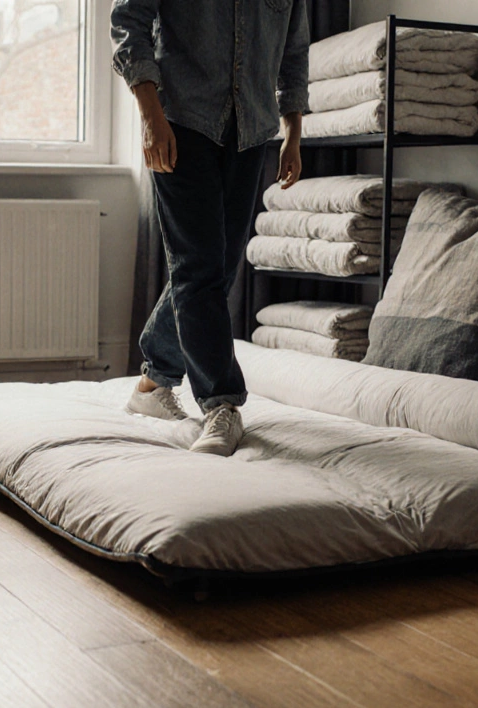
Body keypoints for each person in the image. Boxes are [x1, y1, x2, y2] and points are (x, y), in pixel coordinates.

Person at [111, 0, 309, 456]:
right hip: (179, 123)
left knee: (213, 269)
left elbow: (293, 53)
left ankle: (151, 384)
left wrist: (292, 133)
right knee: (199, 267)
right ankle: (222, 403)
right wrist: (149, 115)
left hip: (252, 132)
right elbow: (127, 22)